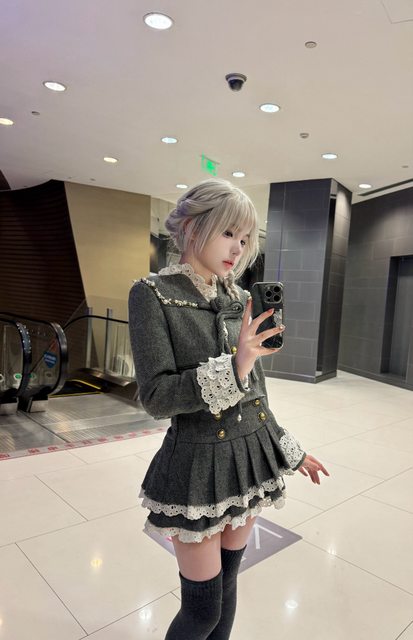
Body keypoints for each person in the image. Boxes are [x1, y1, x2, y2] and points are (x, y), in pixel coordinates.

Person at [128, 178, 329, 640]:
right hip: (195, 468)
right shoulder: (152, 294)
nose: (238, 249)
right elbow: (156, 396)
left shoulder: (241, 299)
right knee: (201, 611)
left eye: (245, 238)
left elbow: (256, 395)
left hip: (248, 462)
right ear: (192, 227)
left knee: (229, 588)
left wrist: (289, 450)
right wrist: (236, 364)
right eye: (228, 233)